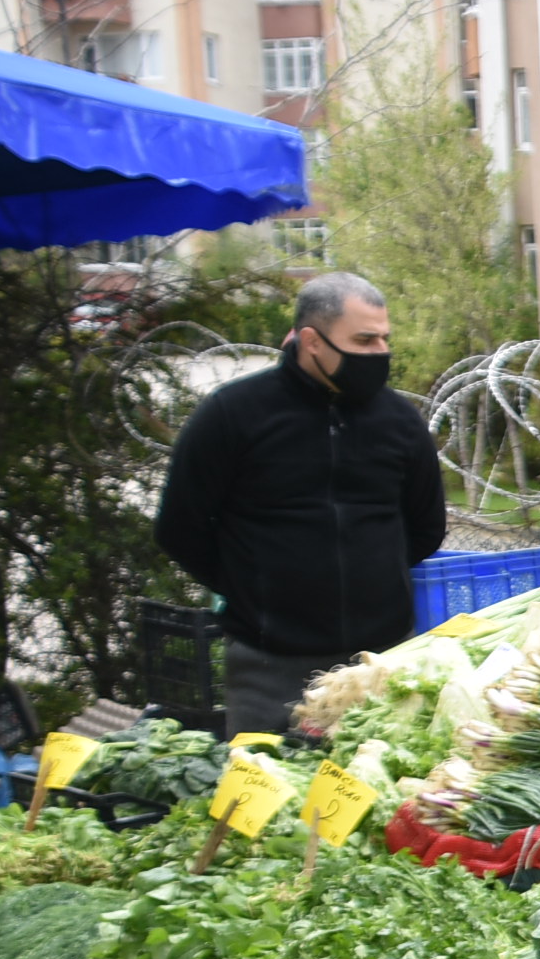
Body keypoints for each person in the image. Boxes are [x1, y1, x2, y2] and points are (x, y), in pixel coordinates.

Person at [155, 271, 447, 737]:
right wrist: (256, 589)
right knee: (265, 803)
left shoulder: (401, 422)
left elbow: (426, 526)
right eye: (364, 340)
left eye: (384, 339)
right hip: (269, 667)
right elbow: (179, 528)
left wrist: (372, 574)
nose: (380, 354)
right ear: (311, 340)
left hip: (382, 661)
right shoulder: (233, 414)